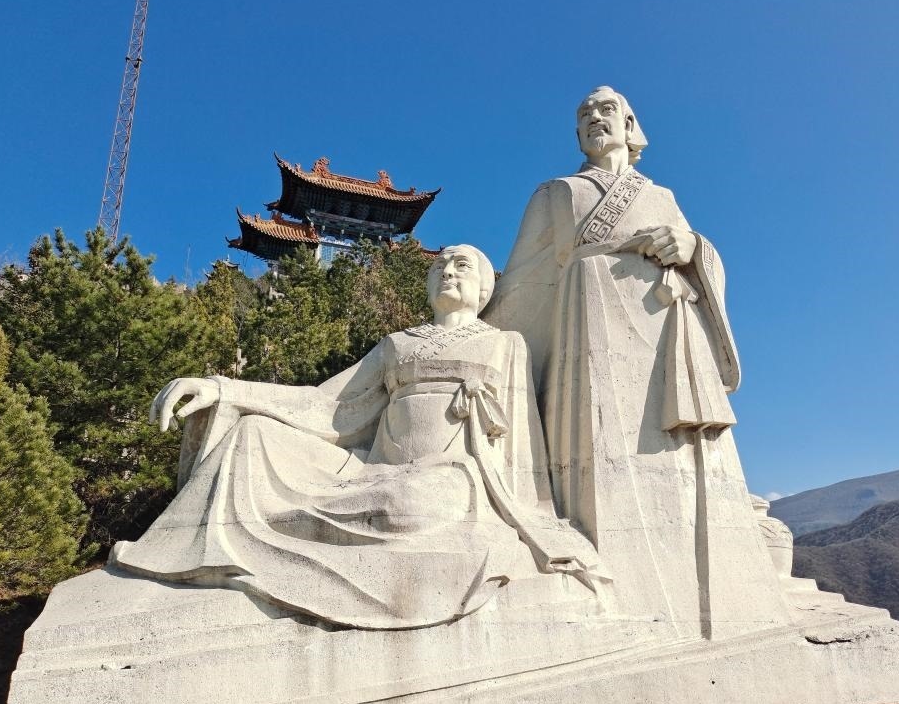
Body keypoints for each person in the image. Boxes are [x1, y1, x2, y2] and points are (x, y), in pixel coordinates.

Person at [113, 245, 600, 630]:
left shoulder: (504, 343)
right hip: (372, 470)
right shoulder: (397, 344)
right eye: (439, 266)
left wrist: (531, 515)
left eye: (462, 265)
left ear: (485, 287)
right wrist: (224, 388)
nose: (448, 271)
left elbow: (522, 442)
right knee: (253, 432)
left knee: (404, 502)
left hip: (453, 479)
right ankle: (204, 552)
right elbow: (328, 404)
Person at [485, 87, 790, 638]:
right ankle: (620, 592)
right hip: (590, 322)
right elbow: (523, 281)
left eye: (605, 110)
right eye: (583, 114)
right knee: (600, 458)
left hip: (664, 327)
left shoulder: (661, 195)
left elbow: (699, 256)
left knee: (678, 462)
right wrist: (472, 341)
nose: (593, 118)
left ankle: (716, 602)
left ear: (629, 125)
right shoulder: (557, 193)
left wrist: (692, 247)